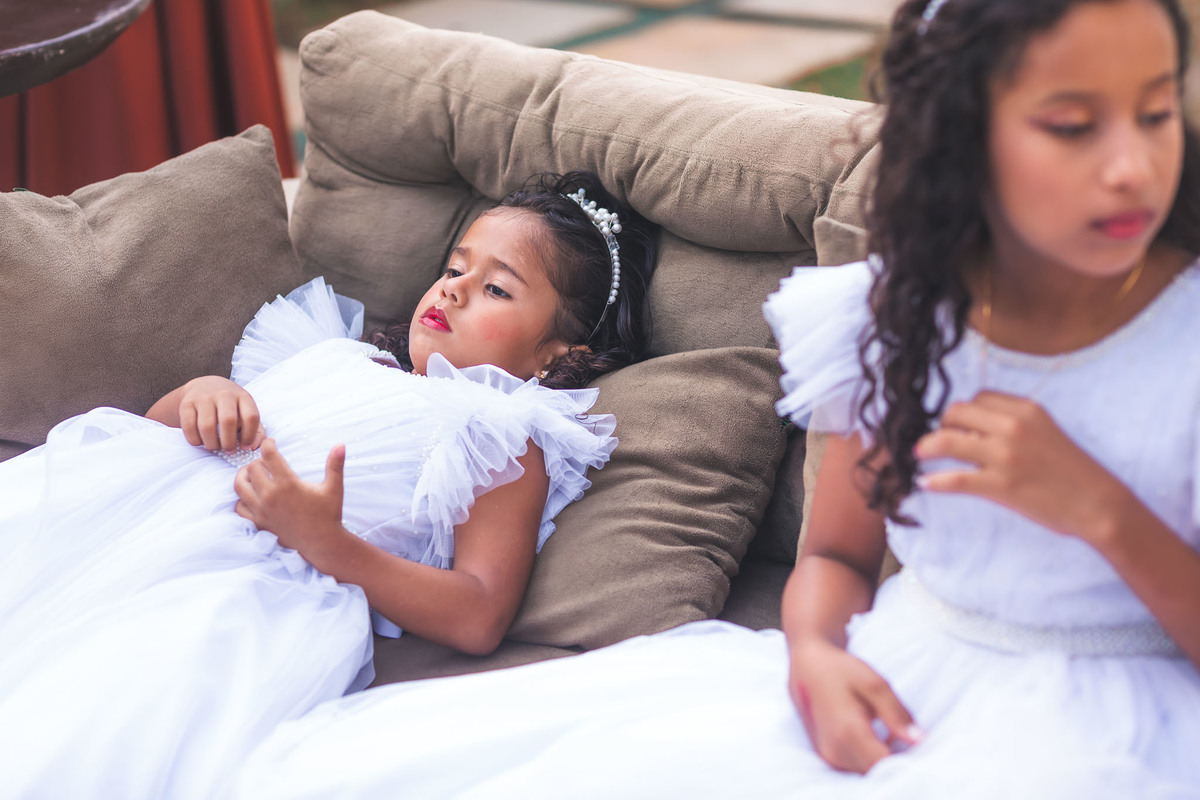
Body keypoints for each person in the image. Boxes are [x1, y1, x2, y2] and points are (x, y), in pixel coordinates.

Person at [229, 1, 1200, 798]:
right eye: (1073, 125)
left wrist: (1104, 514)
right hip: (908, 670)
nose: (1129, 164)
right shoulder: (891, 317)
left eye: (1156, 113)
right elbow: (833, 554)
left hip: (1133, 712)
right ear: (961, 138)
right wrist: (815, 650)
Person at [0, 170, 658, 800]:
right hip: (132, 514)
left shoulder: (502, 431)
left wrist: (328, 544)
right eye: (456, 269)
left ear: (560, 355)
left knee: (88, 715)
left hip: (242, 579)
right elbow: (159, 434)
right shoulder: (336, 352)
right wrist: (204, 396)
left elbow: (480, 615)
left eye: (497, 289)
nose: (453, 290)